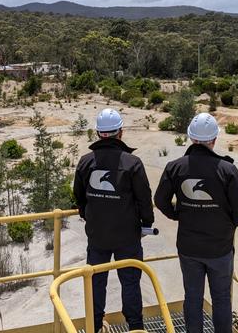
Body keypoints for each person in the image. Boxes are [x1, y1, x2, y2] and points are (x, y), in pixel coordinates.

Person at [154, 112, 238, 333]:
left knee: (193, 297)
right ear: (214, 139)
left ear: (191, 138)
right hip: (220, 248)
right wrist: (229, 224)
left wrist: (177, 214)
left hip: (189, 248)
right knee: (221, 299)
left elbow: (160, 200)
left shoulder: (175, 167)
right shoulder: (227, 170)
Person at [73, 108, 154, 332]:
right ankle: (136, 327)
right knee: (130, 281)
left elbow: (78, 195)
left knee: (96, 281)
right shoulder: (132, 163)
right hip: (127, 235)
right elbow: (144, 197)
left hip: (97, 235)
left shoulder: (85, 161)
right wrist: (146, 224)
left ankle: (96, 325)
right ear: (121, 132)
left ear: (98, 133)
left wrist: (86, 215)